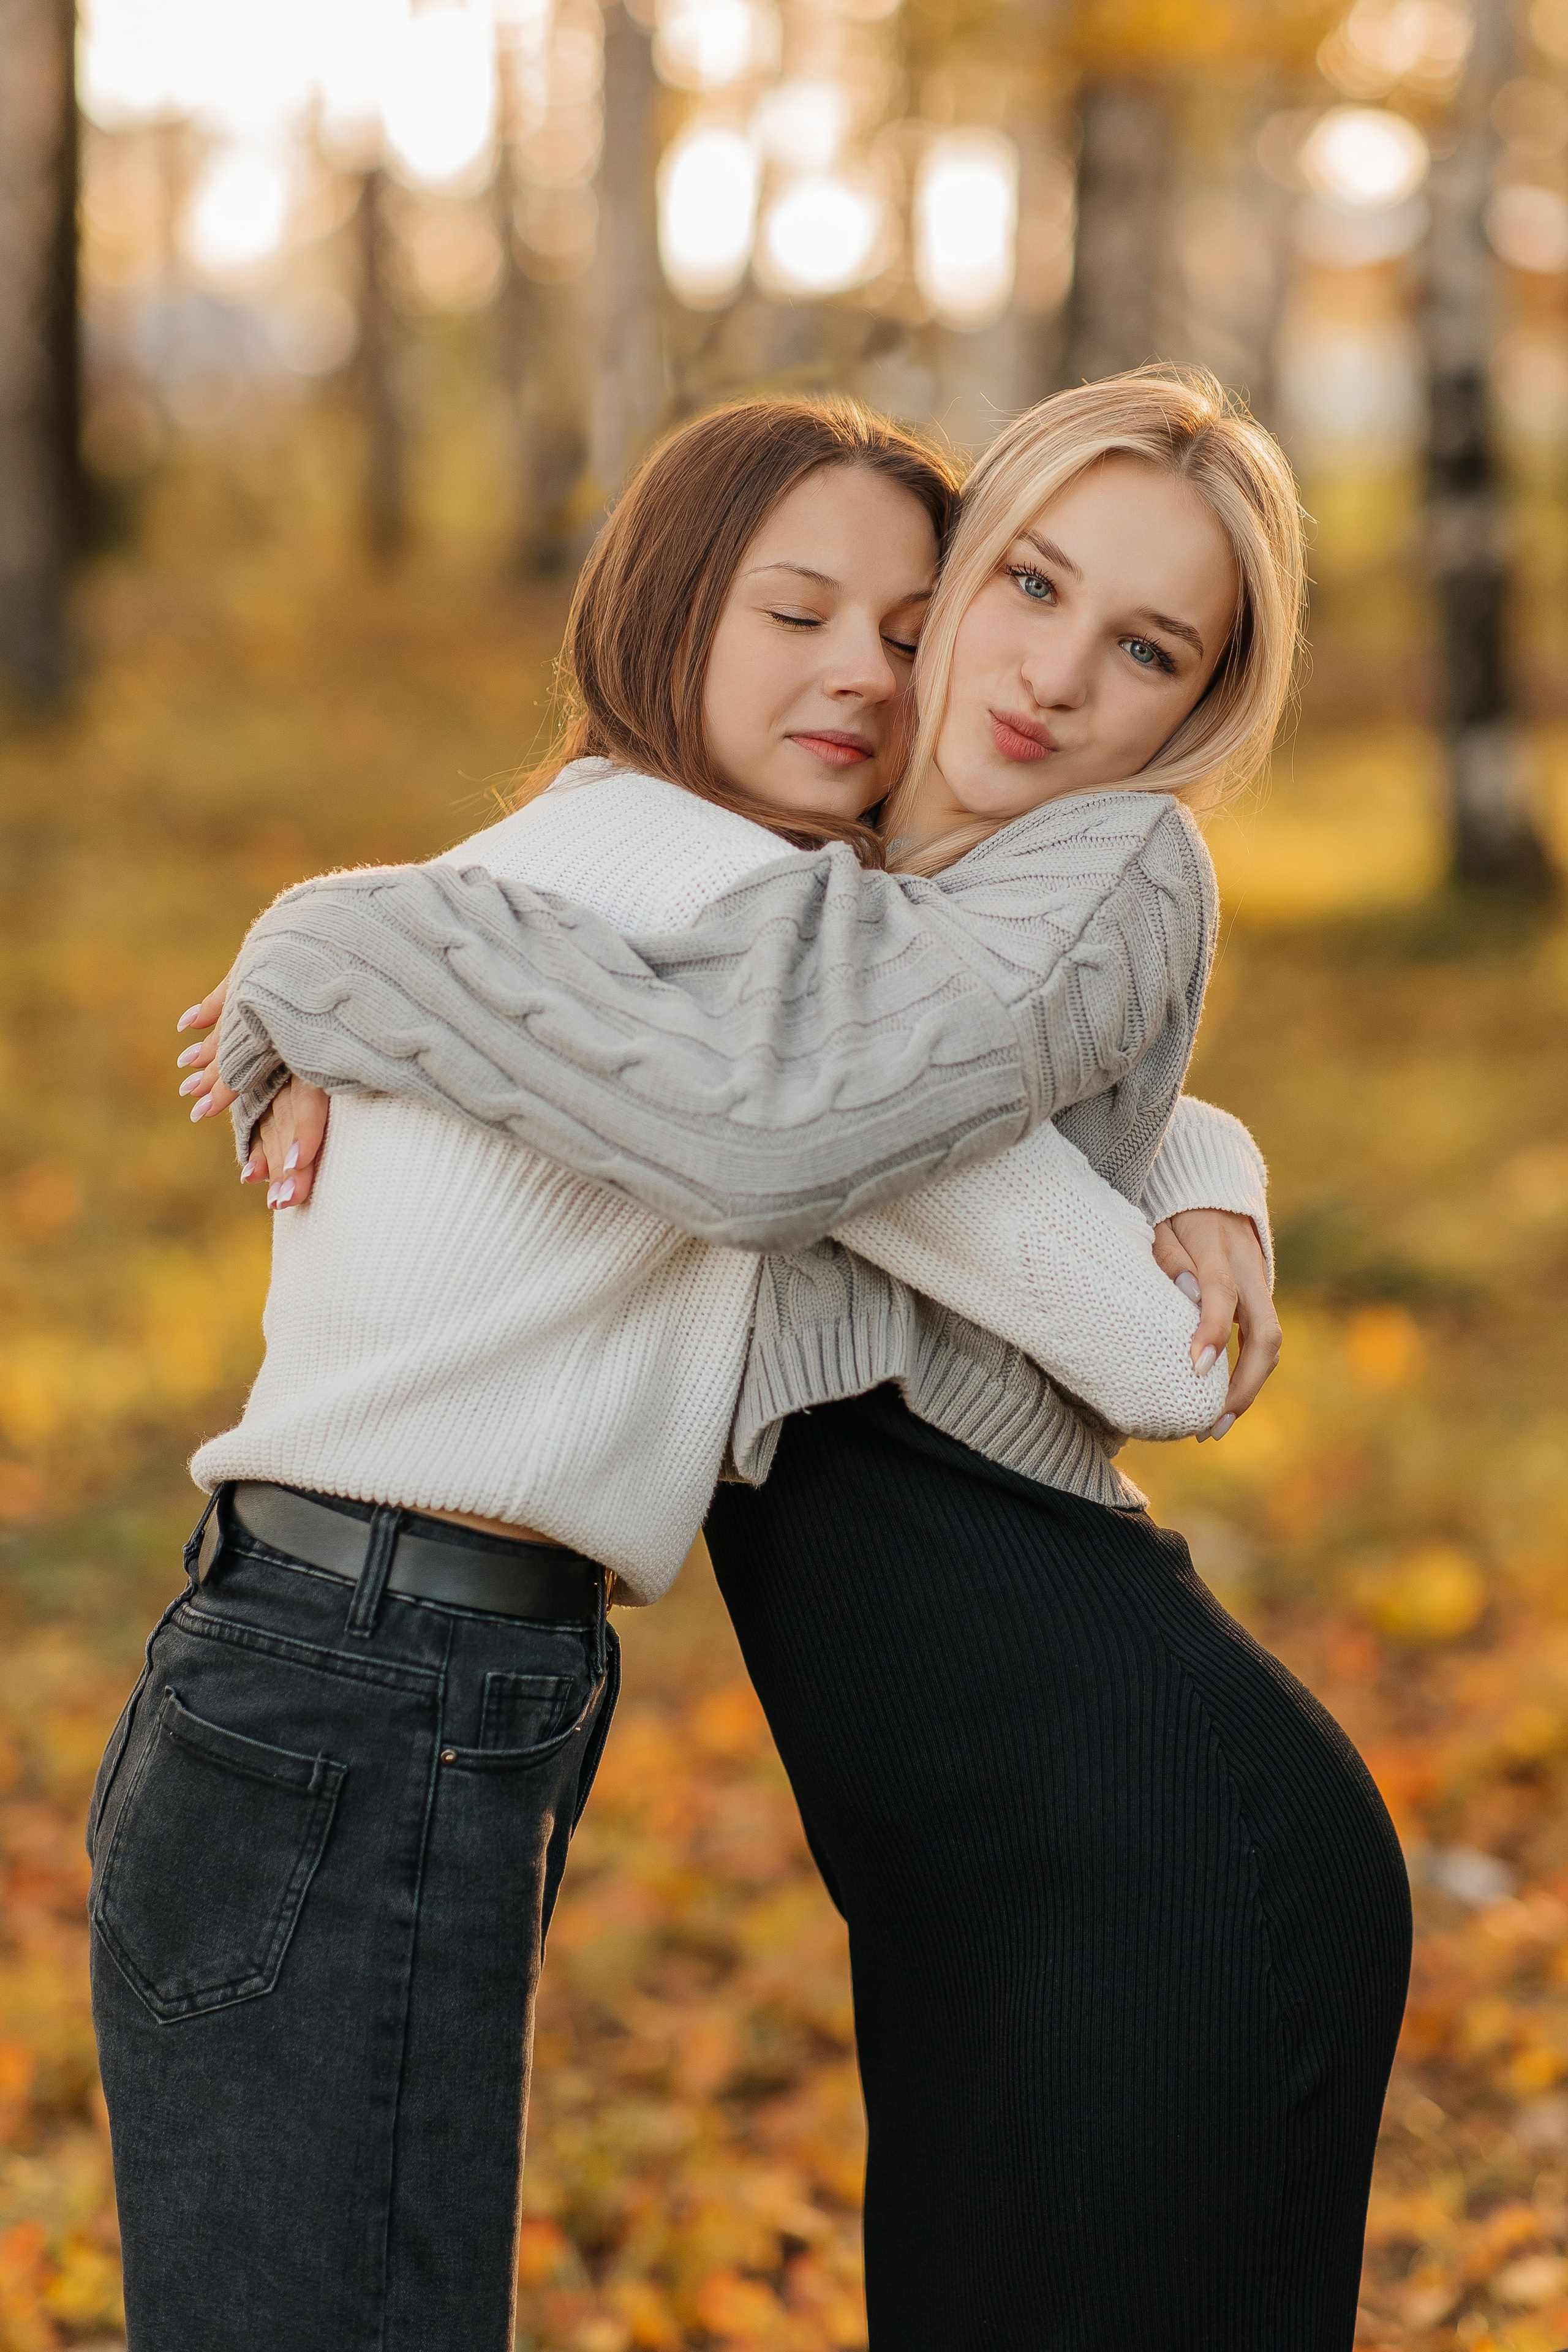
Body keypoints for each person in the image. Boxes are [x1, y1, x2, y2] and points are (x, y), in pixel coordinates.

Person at [205, 372, 1410, 2350]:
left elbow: (767, 1134)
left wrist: (326, 952)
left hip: (1154, 1860)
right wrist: (1203, 1154)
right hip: (964, 1892)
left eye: (1146, 649)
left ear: (1194, 715)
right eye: (1018, 590)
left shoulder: (1091, 870)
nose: (1049, 679)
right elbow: (898, 1087)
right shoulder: (834, 905)